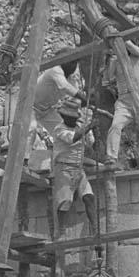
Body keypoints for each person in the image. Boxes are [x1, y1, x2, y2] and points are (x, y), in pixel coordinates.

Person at [105, 40, 139, 168]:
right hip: (124, 99)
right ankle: (111, 158)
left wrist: (118, 38)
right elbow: (109, 77)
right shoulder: (117, 61)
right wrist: (112, 58)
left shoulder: (138, 55)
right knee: (116, 126)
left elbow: (129, 44)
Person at [52, 100, 97, 239]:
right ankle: (61, 230)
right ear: (64, 117)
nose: (72, 120)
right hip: (64, 169)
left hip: (78, 168)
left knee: (89, 197)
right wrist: (89, 127)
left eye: (74, 118)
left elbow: (90, 143)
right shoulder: (59, 129)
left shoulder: (80, 126)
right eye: (69, 118)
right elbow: (73, 138)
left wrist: (91, 130)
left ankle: (95, 229)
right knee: (65, 201)